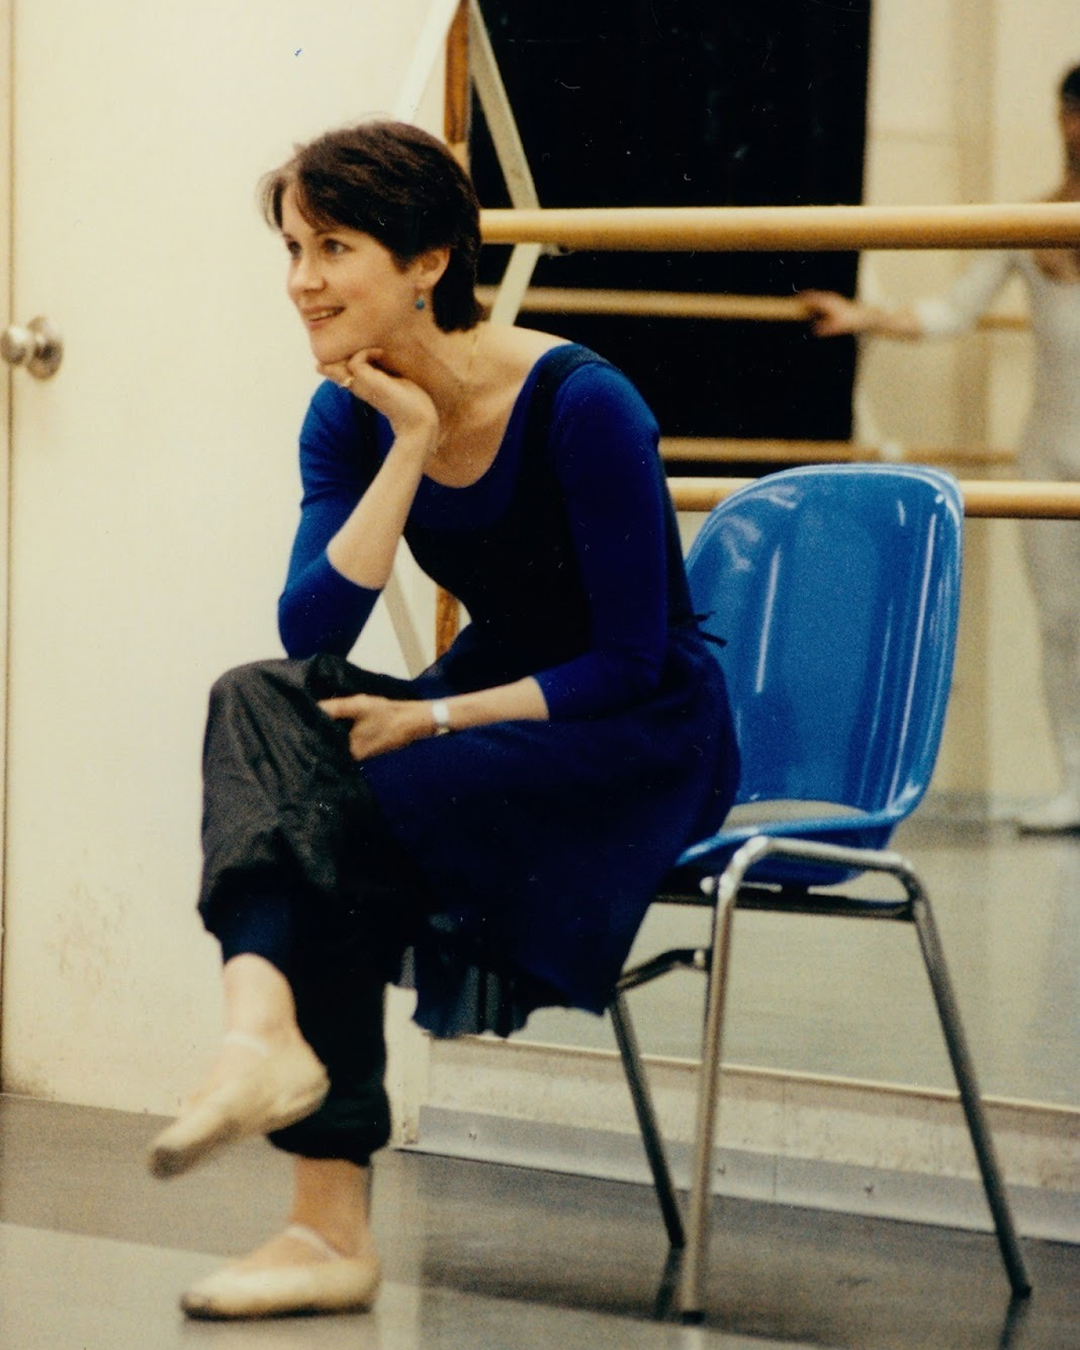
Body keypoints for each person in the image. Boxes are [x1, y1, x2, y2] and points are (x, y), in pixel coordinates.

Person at [147, 120, 739, 1320]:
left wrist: (440, 718)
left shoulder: (583, 404)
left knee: (358, 803)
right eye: (294, 247)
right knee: (262, 697)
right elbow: (315, 630)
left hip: (632, 732)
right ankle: (259, 1022)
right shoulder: (350, 415)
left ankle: (325, 1225)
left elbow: (631, 661)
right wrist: (408, 446)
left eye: (335, 246)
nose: (302, 279)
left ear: (427, 261)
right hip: (491, 705)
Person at [801, 62, 1080, 832]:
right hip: (1050, 453)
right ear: (1061, 120)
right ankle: (1076, 782)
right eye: (1073, 113)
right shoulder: (1029, 225)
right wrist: (863, 317)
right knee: (1062, 619)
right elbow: (953, 311)